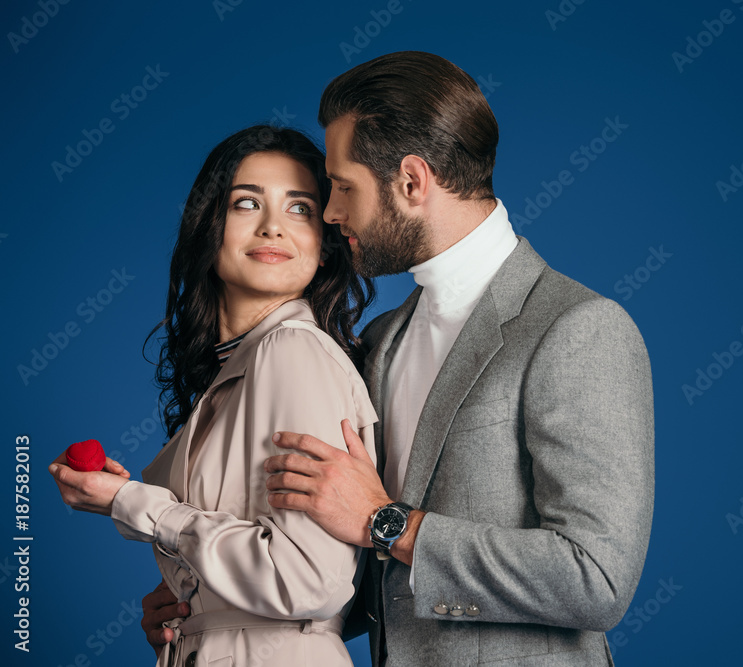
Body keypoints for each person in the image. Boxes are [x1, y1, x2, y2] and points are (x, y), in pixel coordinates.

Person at [145, 51, 655, 666]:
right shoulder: (380, 342)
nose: (332, 213)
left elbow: (596, 578)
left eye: (342, 187)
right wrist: (206, 600)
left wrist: (392, 523)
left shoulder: (577, 328)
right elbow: (367, 581)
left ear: (411, 182)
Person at [49, 125, 376, 667]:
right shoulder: (241, 368)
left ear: (325, 247)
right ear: (210, 228)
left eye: (301, 209)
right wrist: (192, 610)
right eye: (247, 203)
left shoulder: (290, 350)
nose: (273, 226)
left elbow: (306, 581)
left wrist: (130, 504)